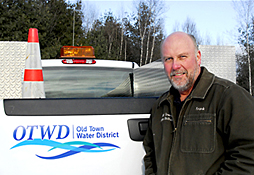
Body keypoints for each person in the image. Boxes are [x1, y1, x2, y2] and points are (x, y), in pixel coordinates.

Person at [143, 31, 254, 175]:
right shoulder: (160, 106)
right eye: (168, 59)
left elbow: (248, 156)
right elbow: (150, 155)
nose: (176, 66)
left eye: (182, 57)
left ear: (198, 57)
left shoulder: (228, 97)